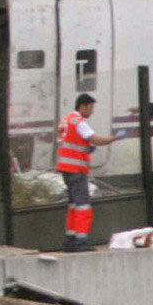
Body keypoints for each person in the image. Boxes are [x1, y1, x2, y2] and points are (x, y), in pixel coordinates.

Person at [55, 93, 121, 253]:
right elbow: (96, 140)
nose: (92, 112)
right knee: (83, 206)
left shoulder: (67, 119)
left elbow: (71, 143)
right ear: (83, 106)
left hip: (66, 169)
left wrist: (86, 148)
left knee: (73, 206)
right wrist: (114, 138)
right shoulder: (80, 122)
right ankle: (81, 241)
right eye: (90, 108)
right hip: (77, 170)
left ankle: (70, 240)